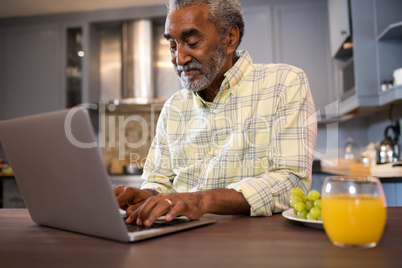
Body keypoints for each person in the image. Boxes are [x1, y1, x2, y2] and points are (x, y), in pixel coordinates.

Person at [114, 0, 317, 227]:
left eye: (191, 42)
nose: (179, 59)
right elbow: (161, 183)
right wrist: (151, 195)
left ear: (230, 38)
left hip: (257, 246)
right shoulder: (174, 108)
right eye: (172, 46)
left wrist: (203, 200)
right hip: (180, 244)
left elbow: (291, 183)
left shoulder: (284, 83)